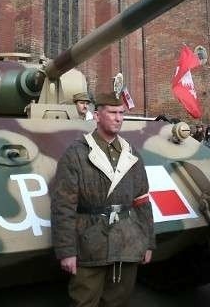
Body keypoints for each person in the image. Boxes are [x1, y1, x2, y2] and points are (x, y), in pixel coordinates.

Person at [51, 92, 155, 306]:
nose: (118, 118)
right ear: (97, 116)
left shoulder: (131, 153)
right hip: (90, 243)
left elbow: (142, 201)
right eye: (112, 112)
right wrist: (66, 251)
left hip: (127, 241)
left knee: (119, 301)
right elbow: (63, 206)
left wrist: (148, 242)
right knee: (84, 301)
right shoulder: (76, 154)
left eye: (121, 113)